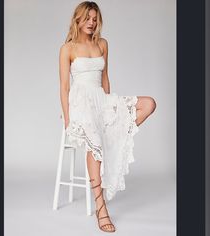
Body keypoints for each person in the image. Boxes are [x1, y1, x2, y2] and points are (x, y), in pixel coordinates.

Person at [59, 1, 156, 233]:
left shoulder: (102, 44)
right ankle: (101, 207)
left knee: (148, 104)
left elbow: (105, 79)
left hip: (101, 99)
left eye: (95, 18)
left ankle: (113, 136)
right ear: (78, 19)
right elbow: (64, 86)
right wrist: (67, 119)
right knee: (95, 140)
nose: (92, 22)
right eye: (88, 18)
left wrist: (111, 107)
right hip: (80, 102)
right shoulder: (68, 48)